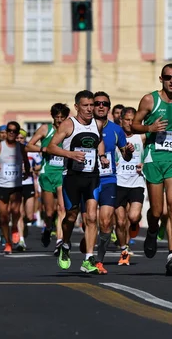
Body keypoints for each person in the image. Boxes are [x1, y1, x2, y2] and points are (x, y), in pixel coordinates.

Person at [131, 63, 172, 276]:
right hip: (153, 159)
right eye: (168, 77)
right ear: (161, 78)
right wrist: (149, 128)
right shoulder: (150, 100)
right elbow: (134, 124)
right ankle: (152, 230)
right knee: (157, 211)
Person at [46, 90, 109, 273]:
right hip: (72, 177)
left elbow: (98, 142)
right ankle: (65, 244)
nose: (90, 109)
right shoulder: (68, 124)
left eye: (92, 105)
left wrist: (102, 156)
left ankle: (89, 258)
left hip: (92, 176)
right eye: (86, 106)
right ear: (76, 107)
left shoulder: (98, 124)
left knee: (91, 216)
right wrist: (70, 154)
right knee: (71, 217)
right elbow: (50, 147)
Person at [91, 92, 134, 274]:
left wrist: (129, 152)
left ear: (109, 107)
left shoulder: (116, 130)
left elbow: (125, 154)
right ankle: (79, 251)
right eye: (97, 103)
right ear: (92, 106)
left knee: (106, 221)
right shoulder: (82, 126)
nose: (101, 106)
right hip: (88, 179)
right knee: (90, 219)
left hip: (109, 179)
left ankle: (99, 260)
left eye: (105, 104)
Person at [25, 103, 70, 254]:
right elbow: (28, 146)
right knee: (49, 212)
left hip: (62, 172)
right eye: (57, 117)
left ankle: (59, 241)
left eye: (62, 117)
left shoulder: (69, 130)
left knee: (62, 208)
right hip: (47, 173)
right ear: (52, 117)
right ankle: (48, 227)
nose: (59, 120)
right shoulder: (46, 129)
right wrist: (43, 149)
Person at [0, 121, 31, 254]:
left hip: (16, 185)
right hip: (2, 185)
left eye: (14, 131)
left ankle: (14, 230)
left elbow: (27, 163)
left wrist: (27, 173)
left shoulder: (21, 147)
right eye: (9, 131)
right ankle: (7, 243)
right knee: (3, 216)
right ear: (6, 132)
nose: (11, 133)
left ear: (17, 133)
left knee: (16, 211)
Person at [115, 107, 146, 266]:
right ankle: (124, 250)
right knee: (120, 222)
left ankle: (135, 224)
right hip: (118, 182)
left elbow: (151, 152)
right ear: (120, 120)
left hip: (136, 182)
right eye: (126, 120)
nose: (129, 123)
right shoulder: (115, 136)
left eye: (131, 120)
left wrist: (144, 163)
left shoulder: (141, 137)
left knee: (133, 216)